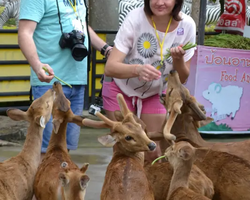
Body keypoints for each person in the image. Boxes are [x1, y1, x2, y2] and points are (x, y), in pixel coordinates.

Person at [103, 0, 196, 162]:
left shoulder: (187, 25)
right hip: (119, 89)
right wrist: (137, 69)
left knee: (152, 150)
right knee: (124, 150)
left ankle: (147, 186)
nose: (159, 2)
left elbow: (182, 78)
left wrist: (178, 60)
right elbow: (110, 67)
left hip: (155, 91)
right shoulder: (135, 18)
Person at [18, 0, 112, 155]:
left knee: (64, 148)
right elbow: (24, 33)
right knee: (47, 149)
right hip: (49, 83)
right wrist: (37, 65)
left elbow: (81, 25)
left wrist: (106, 49)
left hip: (77, 81)